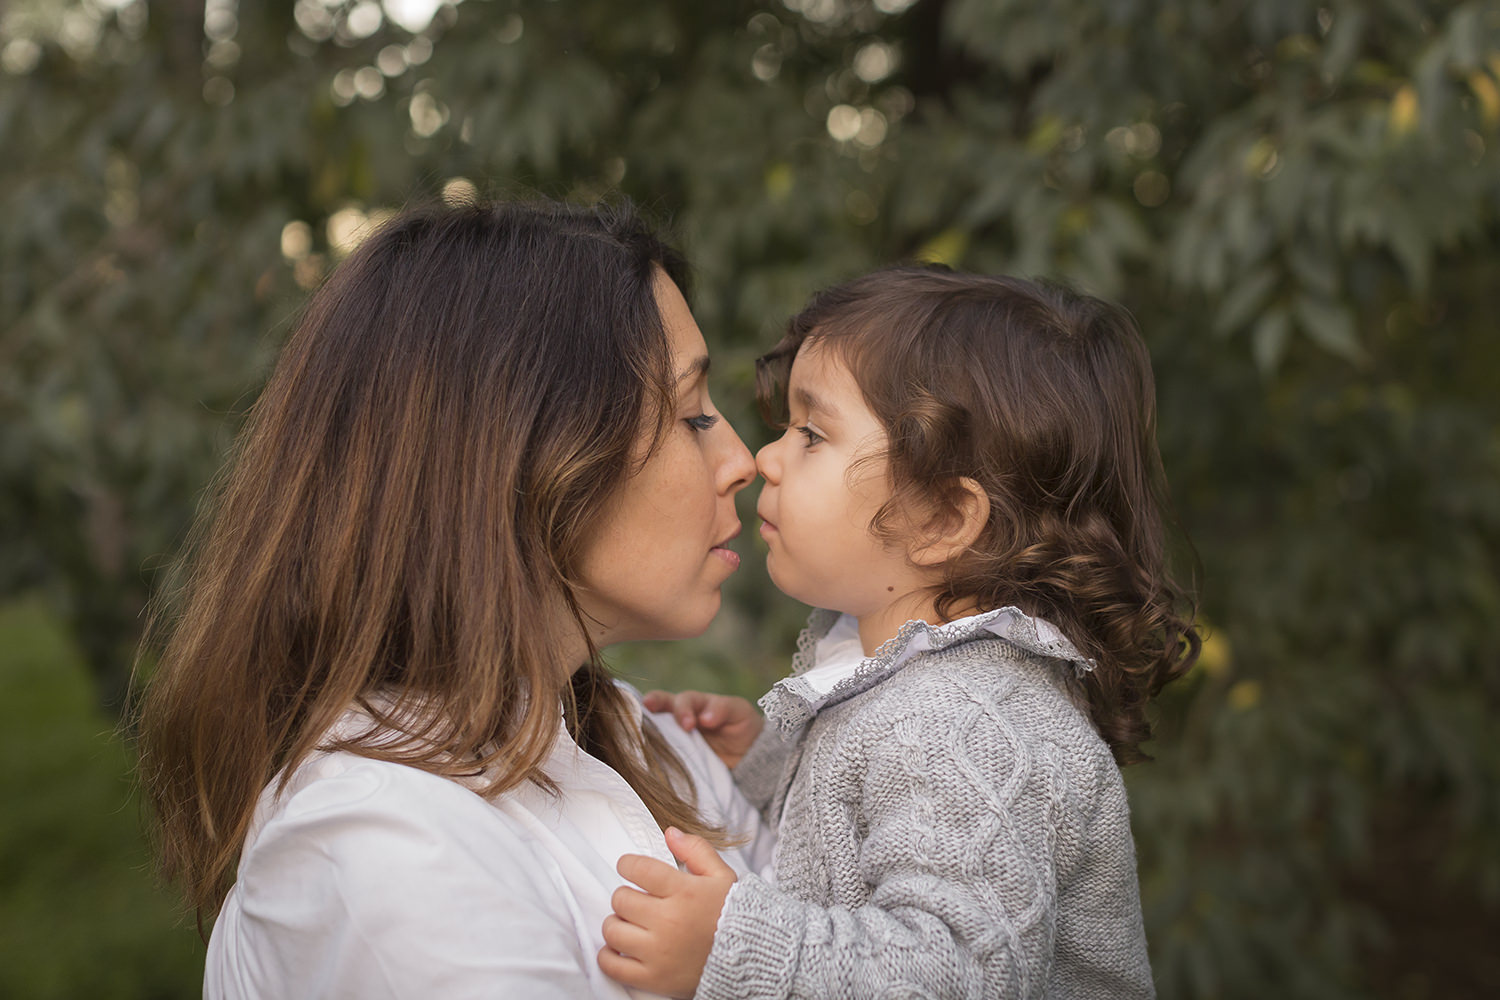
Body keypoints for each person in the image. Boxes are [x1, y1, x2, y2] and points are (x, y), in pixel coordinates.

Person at [133, 200, 774, 998]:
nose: (744, 461)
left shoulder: (658, 745)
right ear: (523, 453)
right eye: (690, 415)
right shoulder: (384, 849)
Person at [599, 266, 1200, 999]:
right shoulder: (923, 694)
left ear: (944, 519)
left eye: (811, 434)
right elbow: (867, 856)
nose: (764, 459)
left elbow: (957, 973)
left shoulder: (965, 719)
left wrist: (734, 947)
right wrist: (763, 766)